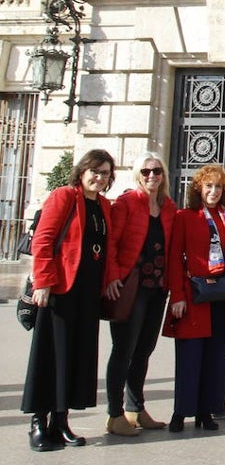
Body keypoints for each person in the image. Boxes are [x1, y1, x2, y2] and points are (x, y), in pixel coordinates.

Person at [23, 149, 116, 451]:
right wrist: (44, 282)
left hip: (87, 293)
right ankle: (38, 423)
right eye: (95, 171)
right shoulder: (65, 196)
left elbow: (107, 248)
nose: (99, 177)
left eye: (105, 173)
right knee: (51, 354)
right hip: (60, 289)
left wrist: (111, 279)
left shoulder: (103, 206)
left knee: (74, 356)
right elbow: (44, 240)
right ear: (82, 171)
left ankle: (60, 422)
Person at [103, 151, 176, 436]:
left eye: (156, 171)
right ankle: (114, 413)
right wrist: (112, 277)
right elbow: (112, 243)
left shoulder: (168, 207)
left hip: (156, 287)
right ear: (137, 175)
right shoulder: (126, 203)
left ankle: (136, 407)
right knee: (123, 350)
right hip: (129, 287)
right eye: (145, 172)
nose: (151, 176)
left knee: (144, 350)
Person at [164, 163, 225, 433]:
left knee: (216, 356)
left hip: (221, 293)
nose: (213, 191)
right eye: (208, 186)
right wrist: (177, 295)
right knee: (190, 355)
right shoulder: (186, 216)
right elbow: (174, 258)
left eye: (218, 186)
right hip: (194, 293)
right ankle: (180, 411)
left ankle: (206, 411)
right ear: (199, 189)